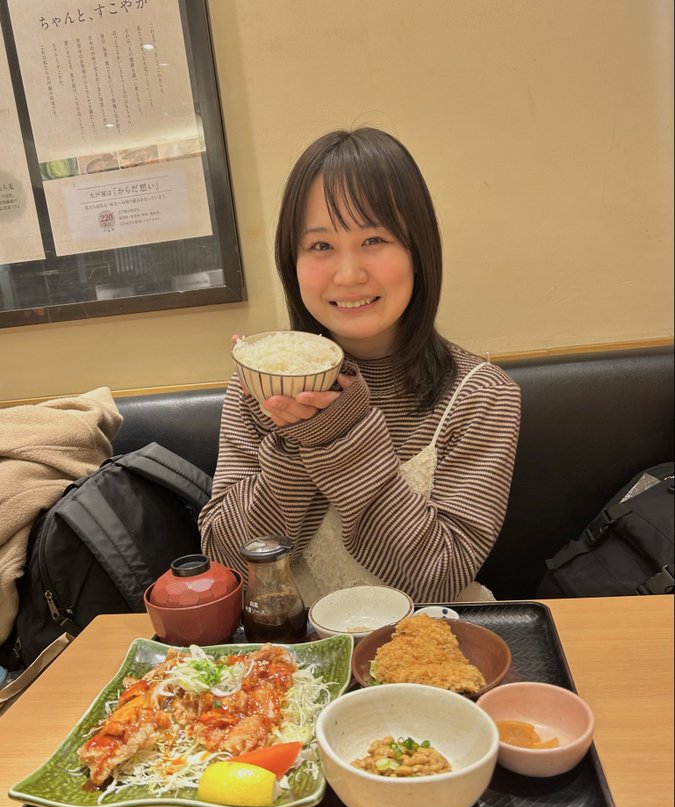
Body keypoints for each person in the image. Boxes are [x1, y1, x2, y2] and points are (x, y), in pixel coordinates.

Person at [199, 127, 521, 605]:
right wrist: (295, 440)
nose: (348, 274)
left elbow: (436, 578)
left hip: (424, 641)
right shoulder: (258, 384)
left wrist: (340, 433)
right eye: (321, 246)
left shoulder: (480, 395)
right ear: (292, 263)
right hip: (291, 647)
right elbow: (230, 564)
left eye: (373, 239)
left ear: (418, 252)